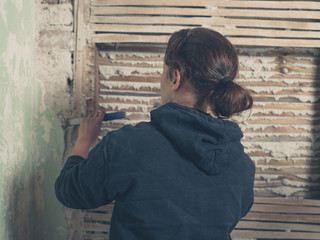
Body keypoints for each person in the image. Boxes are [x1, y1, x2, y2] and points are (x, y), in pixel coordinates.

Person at [55, 27, 255, 240]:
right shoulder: (243, 167)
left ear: (175, 77)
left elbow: (69, 191)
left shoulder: (128, 146)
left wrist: (84, 141)